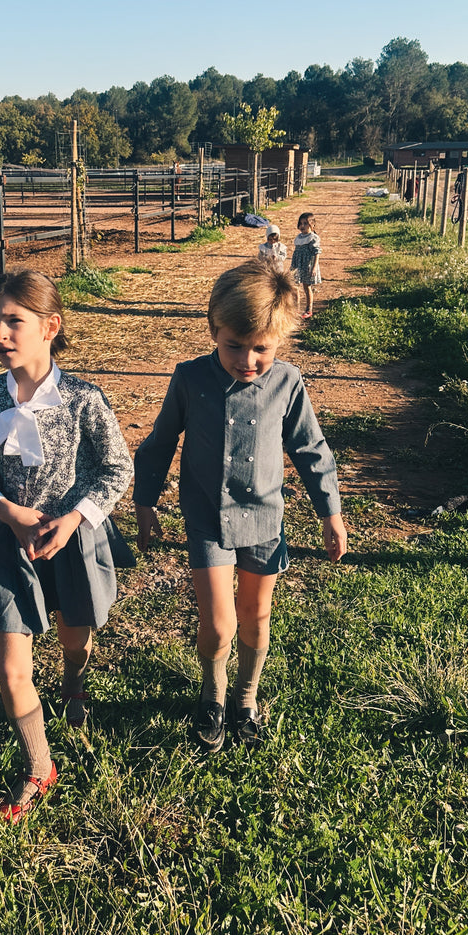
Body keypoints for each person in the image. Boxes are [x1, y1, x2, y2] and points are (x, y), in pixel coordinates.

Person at [133, 259, 346, 752]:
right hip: (207, 517)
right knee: (219, 622)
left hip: (266, 519)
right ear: (214, 329)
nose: (247, 360)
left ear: (282, 341)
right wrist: (146, 501)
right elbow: (161, 442)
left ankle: (246, 699)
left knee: (255, 615)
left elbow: (311, 449)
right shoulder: (189, 379)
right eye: (234, 345)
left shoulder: (288, 383)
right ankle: (214, 692)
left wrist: (329, 512)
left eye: (261, 349)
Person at [0, 268, 134, 822]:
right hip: (11, 543)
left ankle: (75, 688)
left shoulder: (84, 400)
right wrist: (6, 512)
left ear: (51, 326)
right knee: (12, 665)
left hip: (73, 541)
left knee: (73, 638)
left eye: (14, 321)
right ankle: (39, 765)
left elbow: (117, 466)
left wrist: (75, 518)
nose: (0, 334)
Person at [290, 211, 322, 320]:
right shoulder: (299, 237)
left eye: (305, 223)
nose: (302, 226)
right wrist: (293, 265)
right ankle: (296, 308)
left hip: (307, 265)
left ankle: (309, 309)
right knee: (295, 286)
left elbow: (316, 253)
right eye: (301, 223)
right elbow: (296, 252)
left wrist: (314, 267)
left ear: (312, 225)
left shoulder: (313, 238)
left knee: (306, 286)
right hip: (298, 265)